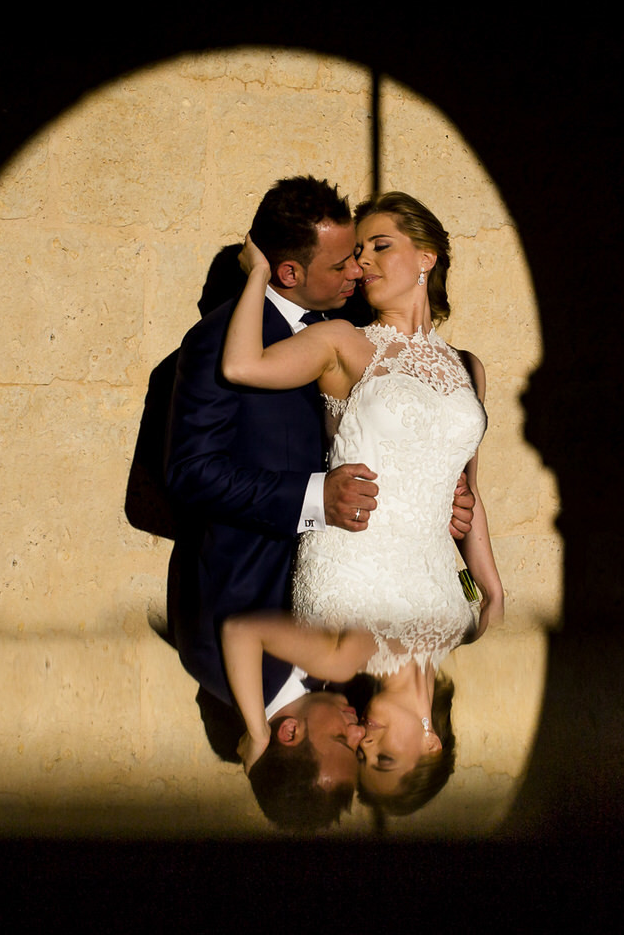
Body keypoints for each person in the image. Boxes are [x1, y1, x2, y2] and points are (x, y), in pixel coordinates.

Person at [164, 176, 474, 828]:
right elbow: (188, 477)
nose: (357, 273)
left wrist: (437, 497)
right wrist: (315, 497)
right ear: (288, 270)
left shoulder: (355, 335)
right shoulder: (218, 342)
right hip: (274, 577)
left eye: (366, 253)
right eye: (343, 262)